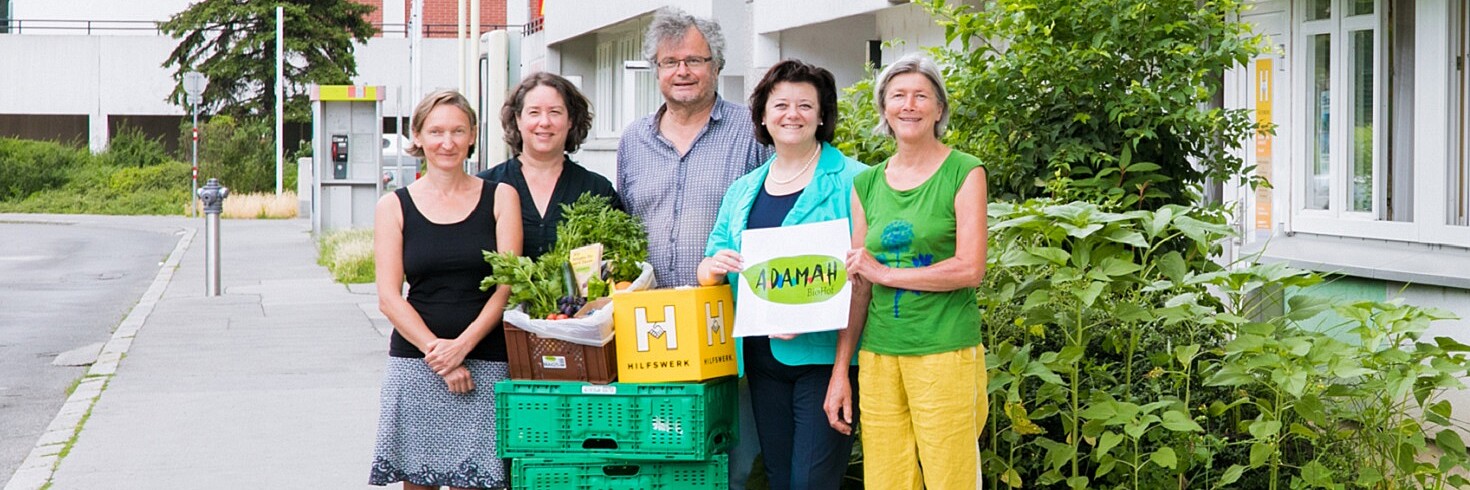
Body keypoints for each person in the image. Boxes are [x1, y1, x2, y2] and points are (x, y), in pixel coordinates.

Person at [615, 7, 771, 489]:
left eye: (695, 60)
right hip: (652, 331)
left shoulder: (754, 131)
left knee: (736, 461)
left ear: (717, 66)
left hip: (732, 327)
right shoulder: (633, 141)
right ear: (656, 71)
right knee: (662, 459)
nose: (682, 71)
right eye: (670, 62)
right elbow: (623, 227)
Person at [823, 53, 990, 490]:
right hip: (879, 356)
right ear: (884, 108)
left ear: (939, 108)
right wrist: (842, 371)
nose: (909, 105)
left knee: (949, 478)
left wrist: (888, 275)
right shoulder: (867, 184)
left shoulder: (964, 171)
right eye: (898, 95)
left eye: (921, 95)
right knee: (886, 480)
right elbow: (859, 284)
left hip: (944, 349)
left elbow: (970, 268)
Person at [696, 59, 864, 490]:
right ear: (764, 115)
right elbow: (710, 262)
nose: (793, 114)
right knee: (778, 477)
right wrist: (713, 268)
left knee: (811, 482)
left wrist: (841, 371)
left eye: (806, 105)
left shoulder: (854, 181)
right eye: (781, 105)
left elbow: (863, 279)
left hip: (824, 360)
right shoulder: (744, 188)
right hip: (760, 361)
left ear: (823, 115)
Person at [369, 90, 523, 490]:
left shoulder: (501, 197)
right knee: (418, 484)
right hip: (416, 364)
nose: (447, 142)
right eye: (436, 131)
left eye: (458, 130)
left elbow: (507, 287)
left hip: (486, 362)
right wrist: (441, 356)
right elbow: (388, 297)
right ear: (417, 136)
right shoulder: (394, 205)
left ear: (473, 135)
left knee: (479, 482)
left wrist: (463, 348)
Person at [478, 71, 620, 259]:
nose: (544, 122)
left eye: (555, 112)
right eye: (534, 112)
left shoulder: (598, 190)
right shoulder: (485, 188)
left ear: (570, 120)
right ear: (518, 120)